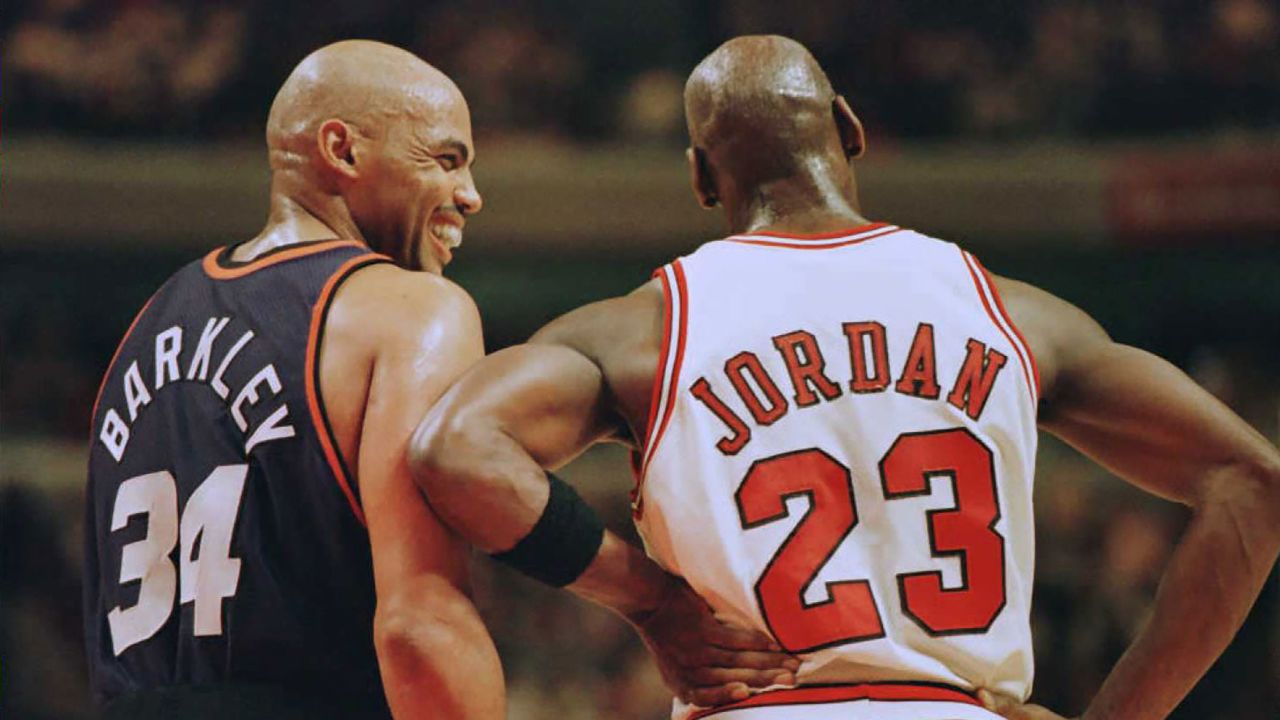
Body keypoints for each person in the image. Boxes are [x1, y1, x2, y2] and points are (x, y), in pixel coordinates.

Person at [409, 35, 1280, 720]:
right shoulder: (1016, 313)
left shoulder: (645, 328)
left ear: (702, 179)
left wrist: (652, 602)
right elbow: (1253, 482)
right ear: (852, 129)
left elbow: (456, 448)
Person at [83, 39, 789, 720]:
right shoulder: (405, 309)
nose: (472, 195)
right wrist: (653, 601)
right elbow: (418, 623)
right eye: (445, 160)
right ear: (342, 149)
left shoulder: (146, 326)